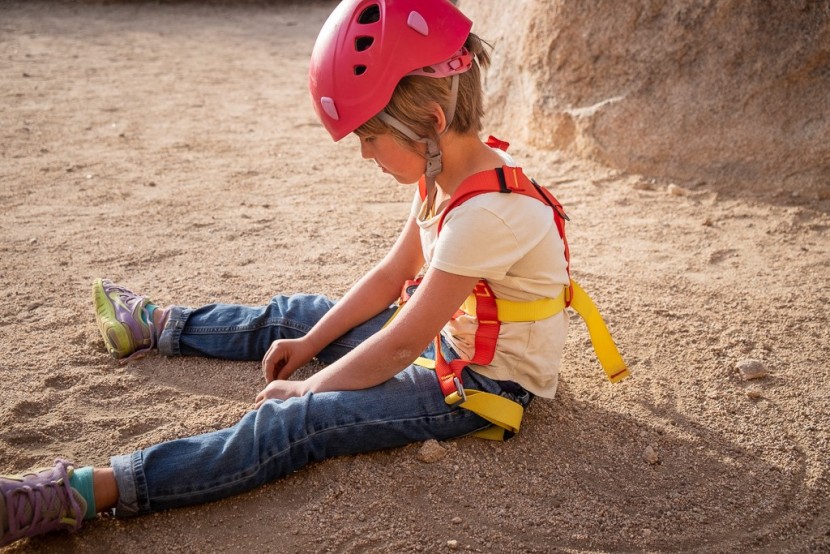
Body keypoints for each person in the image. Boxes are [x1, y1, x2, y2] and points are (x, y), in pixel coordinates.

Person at [0, 0, 574, 546]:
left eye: (370, 137)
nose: (365, 154)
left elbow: (402, 345)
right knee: (298, 315)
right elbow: (390, 277)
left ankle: (82, 492)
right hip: (445, 344)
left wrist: (306, 386)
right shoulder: (440, 173)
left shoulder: (487, 214)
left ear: (430, 119)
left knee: (299, 422)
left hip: (478, 385)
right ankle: (161, 326)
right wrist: (307, 344)